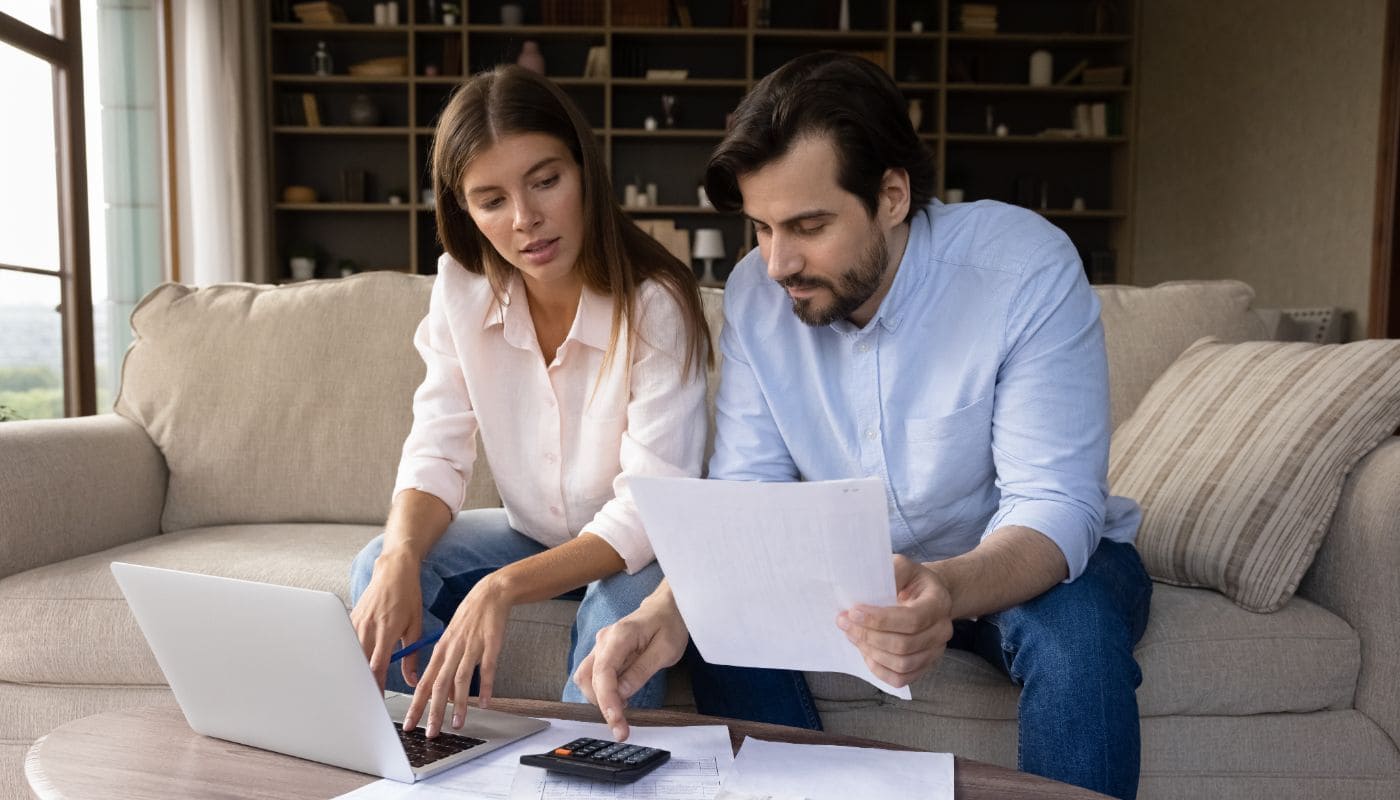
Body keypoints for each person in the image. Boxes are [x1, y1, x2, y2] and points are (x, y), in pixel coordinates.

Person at [573, 53, 1152, 800]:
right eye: (760, 228)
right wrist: (663, 611)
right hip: (857, 571)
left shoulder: (1023, 269)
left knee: (1077, 643)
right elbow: (751, 502)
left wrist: (943, 585)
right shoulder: (757, 294)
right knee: (721, 638)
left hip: (1023, 559)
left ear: (892, 195)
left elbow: (1055, 507)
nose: (778, 262)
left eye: (809, 226)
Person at [349, 65, 710, 741]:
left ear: (584, 170)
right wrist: (400, 555)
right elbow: (436, 450)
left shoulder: (655, 301)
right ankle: (437, 744)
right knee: (379, 563)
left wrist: (503, 587)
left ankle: (582, 769)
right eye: (491, 200)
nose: (526, 220)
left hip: (635, 551)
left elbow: (648, 509)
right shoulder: (461, 287)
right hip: (530, 532)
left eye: (545, 181)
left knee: (620, 607)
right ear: (464, 211)